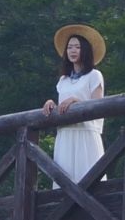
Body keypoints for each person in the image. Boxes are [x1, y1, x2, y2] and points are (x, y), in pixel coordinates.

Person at [42, 24, 107, 183]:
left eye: (77, 47)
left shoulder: (94, 75)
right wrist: (51, 104)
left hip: (85, 134)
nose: (72, 50)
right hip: (65, 135)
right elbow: (62, 107)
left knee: (90, 181)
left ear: (84, 50)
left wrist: (76, 101)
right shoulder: (63, 80)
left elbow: (99, 108)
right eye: (69, 47)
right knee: (64, 182)